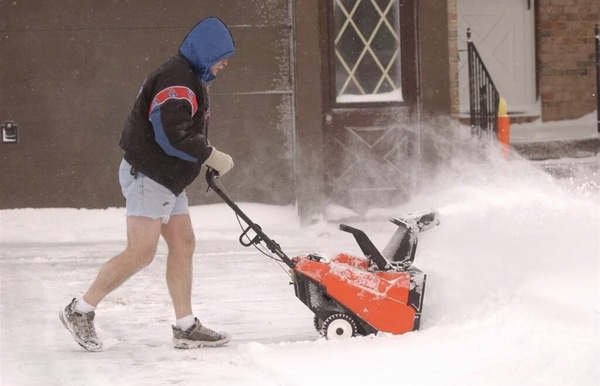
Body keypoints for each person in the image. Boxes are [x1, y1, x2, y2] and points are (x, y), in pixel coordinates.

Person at [59, 17, 236, 352]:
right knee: (141, 252)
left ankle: (185, 327)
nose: (224, 64)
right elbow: (170, 136)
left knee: (183, 243)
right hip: (149, 175)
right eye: (220, 58)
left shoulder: (188, 76)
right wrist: (210, 154)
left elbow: (180, 133)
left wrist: (200, 158)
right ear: (205, 53)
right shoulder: (177, 79)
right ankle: (80, 310)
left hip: (168, 178)